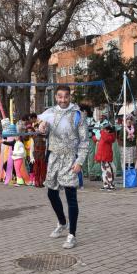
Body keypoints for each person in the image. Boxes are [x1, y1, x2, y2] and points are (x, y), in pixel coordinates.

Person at [38, 85, 87, 249]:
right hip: (53, 157)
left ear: (70, 96)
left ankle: (72, 234)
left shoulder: (78, 115)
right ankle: (62, 222)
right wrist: (42, 129)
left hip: (70, 159)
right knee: (51, 193)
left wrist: (79, 161)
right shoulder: (50, 112)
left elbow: (84, 141)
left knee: (70, 196)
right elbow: (45, 131)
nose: (63, 100)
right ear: (56, 97)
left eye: (66, 96)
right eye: (60, 96)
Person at [94, 125, 116, 190]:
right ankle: (105, 184)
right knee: (104, 171)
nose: (103, 130)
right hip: (102, 157)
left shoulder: (109, 135)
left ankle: (111, 184)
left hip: (106, 157)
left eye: (105, 129)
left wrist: (102, 131)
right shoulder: (104, 135)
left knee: (108, 171)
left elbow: (106, 138)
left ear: (108, 130)